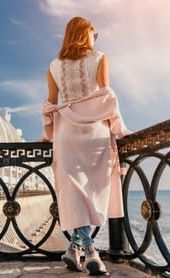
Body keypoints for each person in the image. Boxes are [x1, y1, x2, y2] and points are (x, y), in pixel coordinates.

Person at [40, 16, 131, 275]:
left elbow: (50, 104)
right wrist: (119, 128)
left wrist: (47, 135)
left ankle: (73, 250)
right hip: (95, 133)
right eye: (94, 33)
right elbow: (107, 95)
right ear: (85, 34)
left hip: (67, 134)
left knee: (74, 193)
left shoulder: (53, 66)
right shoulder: (100, 58)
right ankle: (91, 252)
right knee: (93, 192)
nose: (95, 38)